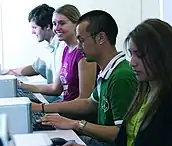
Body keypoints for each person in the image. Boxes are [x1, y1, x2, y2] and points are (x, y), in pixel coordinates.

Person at [33, 10, 137, 146]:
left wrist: (76, 124)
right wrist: (42, 108)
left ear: (101, 38)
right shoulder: (108, 71)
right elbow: (89, 103)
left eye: (81, 40)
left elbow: (121, 134)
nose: (79, 46)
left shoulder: (121, 76)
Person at [19, 5, 97, 101]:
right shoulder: (66, 50)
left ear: (76, 24)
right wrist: (21, 86)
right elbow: (55, 88)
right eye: (54, 24)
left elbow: (84, 100)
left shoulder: (83, 54)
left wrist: (46, 108)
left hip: (75, 113)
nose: (56, 28)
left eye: (62, 23)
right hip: (67, 108)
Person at [114, 19, 172, 146]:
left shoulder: (167, 102)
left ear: (162, 55)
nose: (132, 63)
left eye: (139, 55)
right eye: (131, 54)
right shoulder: (143, 92)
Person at [6, 4, 65, 84]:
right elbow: (35, 68)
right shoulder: (49, 47)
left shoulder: (62, 48)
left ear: (47, 26)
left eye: (35, 28)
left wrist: (26, 87)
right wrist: (10, 71)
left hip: (60, 95)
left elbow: (57, 88)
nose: (32, 32)